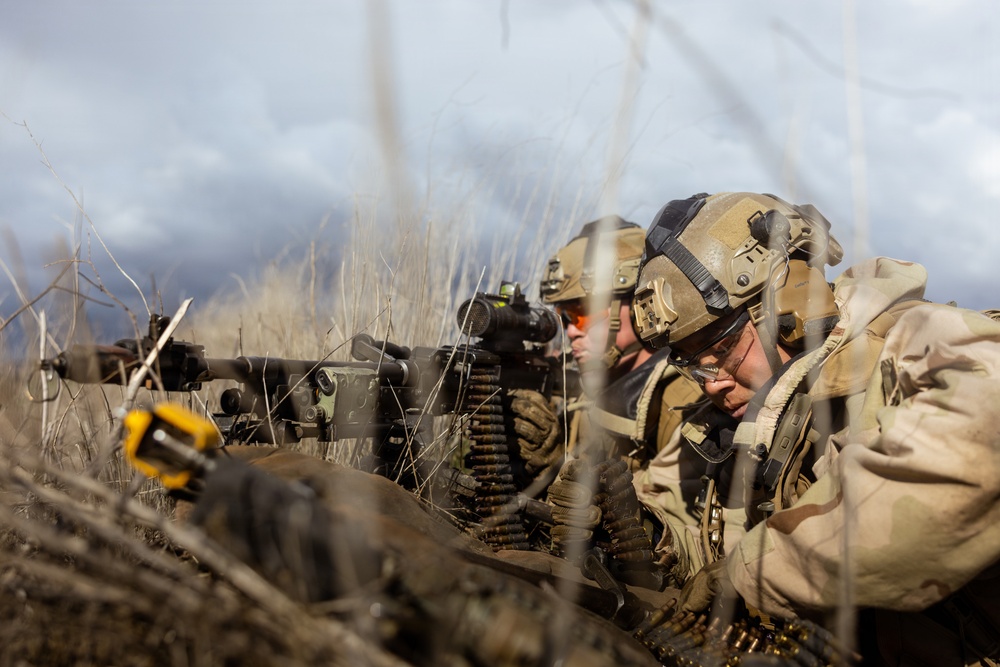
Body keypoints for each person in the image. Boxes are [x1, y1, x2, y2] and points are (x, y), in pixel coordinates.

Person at [631, 191, 1000, 665]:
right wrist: (644, 533)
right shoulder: (722, 427)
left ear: (789, 306)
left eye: (719, 350)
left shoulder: (916, 345)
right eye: (690, 365)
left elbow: (978, 454)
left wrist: (756, 572)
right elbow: (693, 536)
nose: (712, 384)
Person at [510, 215, 705, 586]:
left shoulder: (683, 395)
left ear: (639, 303)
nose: (569, 331)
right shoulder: (590, 381)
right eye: (564, 316)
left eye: (583, 314)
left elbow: (674, 539)